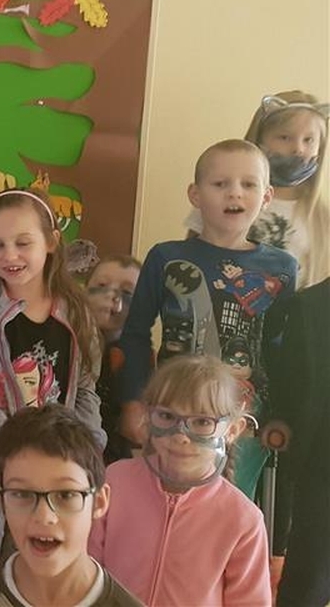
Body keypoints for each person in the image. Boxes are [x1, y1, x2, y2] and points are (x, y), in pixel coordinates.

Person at [120, 139, 297, 496]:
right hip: (172, 410)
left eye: (248, 184)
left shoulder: (282, 267)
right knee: (164, 499)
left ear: (266, 197)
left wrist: (281, 414)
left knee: (228, 506)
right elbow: (135, 333)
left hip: (243, 419)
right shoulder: (166, 257)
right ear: (195, 194)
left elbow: (279, 349)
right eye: (220, 184)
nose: (235, 193)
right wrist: (133, 400)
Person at [0, 188, 104, 567]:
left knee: (33, 560)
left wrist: (88, 442)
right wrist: (10, 435)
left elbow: (86, 387)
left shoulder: (77, 312)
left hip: (53, 468)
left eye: (23, 243)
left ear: (51, 242)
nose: (9, 255)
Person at [90, 355, 269, 606]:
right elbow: (85, 571)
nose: (181, 436)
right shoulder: (115, 482)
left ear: (232, 430)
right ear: (148, 416)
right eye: (167, 416)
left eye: (202, 422)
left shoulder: (243, 519)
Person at [0, 403, 140, 607]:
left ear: (99, 501)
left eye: (65, 495)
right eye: (22, 494)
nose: (44, 516)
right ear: (2, 502)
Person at [186, 92, 328, 289]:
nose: (298, 149)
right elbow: (188, 257)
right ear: (259, 140)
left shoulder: (321, 218)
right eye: (284, 137)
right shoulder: (223, 198)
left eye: (309, 140)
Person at [262, 278, 330, 606]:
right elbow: (290, 378)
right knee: (310, 578)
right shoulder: (309, 305)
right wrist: (280, 417)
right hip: (321, 464)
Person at [85, 254, 142, 463]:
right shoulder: (65, 341)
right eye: (101, 285)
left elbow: (135, 430)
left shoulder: (138, 357)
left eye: (127, 292)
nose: (111, 295)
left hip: (113, 464)